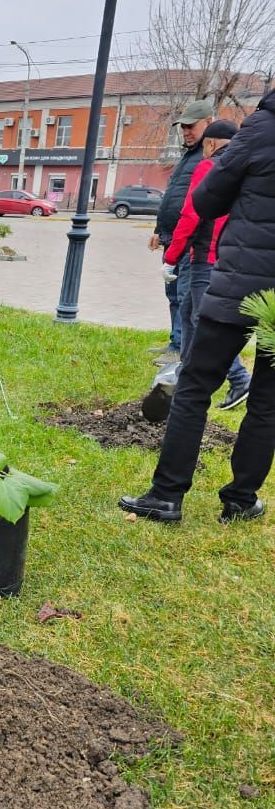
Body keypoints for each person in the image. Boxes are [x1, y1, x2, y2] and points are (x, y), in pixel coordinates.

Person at [118, 88, 275, 524]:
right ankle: (242, 499)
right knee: (268, 402)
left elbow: (206, 198)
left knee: (194, 385)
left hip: (240, 281)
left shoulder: (261, 129)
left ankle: (167, 495)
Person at [162, 118, 251, 408]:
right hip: (230, 255)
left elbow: (191, 214)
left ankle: (239, 379)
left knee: (202, 318)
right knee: (189, 313)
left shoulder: (209, 167)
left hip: (204, 257)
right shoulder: (244, 170)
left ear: (210, 144)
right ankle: (185, 372)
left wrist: (171, 257)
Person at [148, 98, 214, 361]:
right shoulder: (188, 156)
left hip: (190, 240)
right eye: (183, 127)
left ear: (208, 123)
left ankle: (182, 350)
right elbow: (172, 198)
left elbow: (194, 204)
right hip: (172, 237)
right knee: (173, 293)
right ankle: (175, 342)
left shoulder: (208, 157)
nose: (186, 131)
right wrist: (159, 230)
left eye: (191, 126)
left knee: (186, 297)